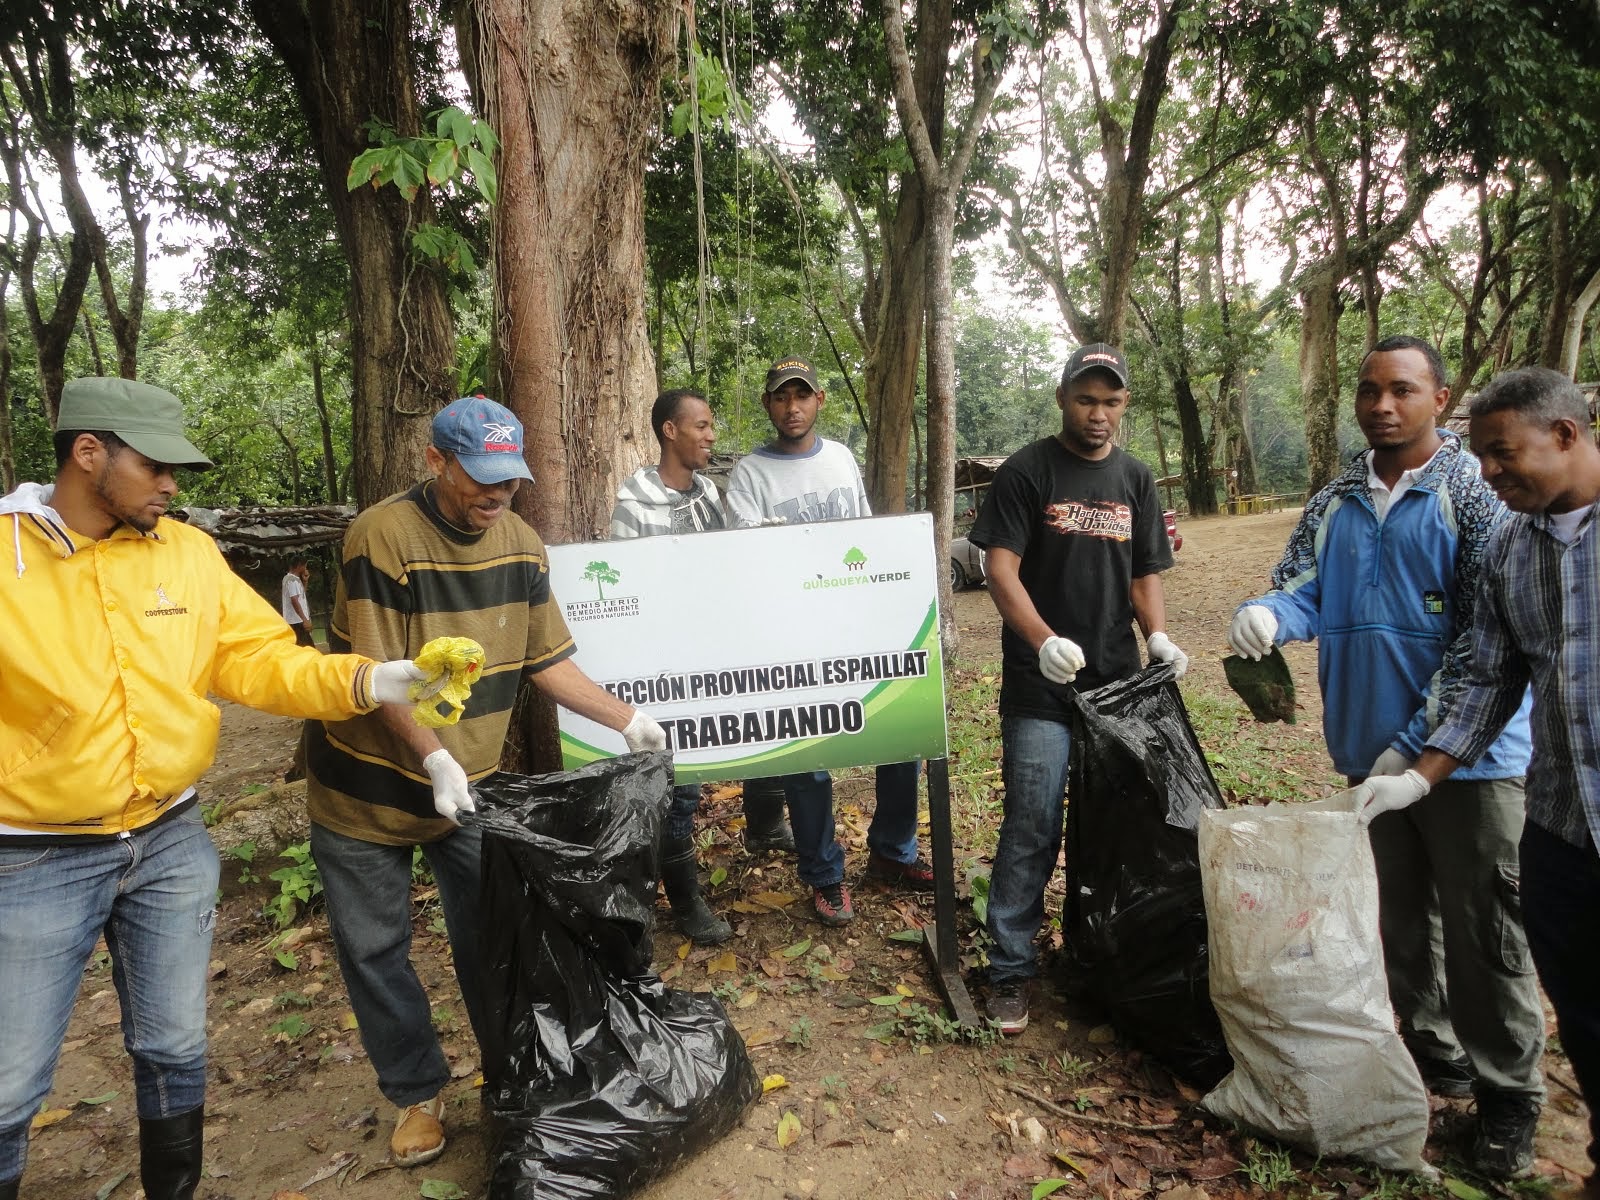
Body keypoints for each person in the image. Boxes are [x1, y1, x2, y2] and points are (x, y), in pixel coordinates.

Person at [0, 378, 425, 1200]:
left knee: (175, 1044)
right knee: (10, 1082)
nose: (172, 486)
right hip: (31, 859)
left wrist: (373, 679)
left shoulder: (187, 554)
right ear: (88, 453)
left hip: (168, 840)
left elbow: (258, 659)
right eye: (156, 467)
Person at [304, 395, 667, 1169]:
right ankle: (416, 1091)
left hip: (471, 787)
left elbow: (547, 660)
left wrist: (624, 718)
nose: (495, 496)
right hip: (365, 787)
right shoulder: (383, 537)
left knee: (493, 941)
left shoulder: (522, 544)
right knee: (375, 948)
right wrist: (431, 757)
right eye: (479, 479)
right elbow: (373, 677)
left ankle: (513, 1075)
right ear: (436, 461)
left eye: (508, 481)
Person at [1228, 336, 1543, 1177]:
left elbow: (1486, 644)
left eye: (1401, 390)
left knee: (1484, 933)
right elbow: (1302, 583)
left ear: (1440, 398)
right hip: (1367, 759)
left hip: (1468, 764)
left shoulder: (1477, 495)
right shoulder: (1336, 494)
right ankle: (1435, 1055)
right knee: (1400, 920)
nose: (1380, 405)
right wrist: (1267, 614)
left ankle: (1509, 1095)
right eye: (1368, 390)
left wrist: (1414, 754)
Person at [1357, 366, 1599, 1186]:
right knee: (1580, 1004)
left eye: (1502, 455)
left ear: (1565, 434)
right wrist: (1419, 778)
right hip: (1563, 822)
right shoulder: (1511, 549)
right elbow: (1490, 683)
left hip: (1528, 801)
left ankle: (1512, 1100)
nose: (1488, 472)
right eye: (1484, 457)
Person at [967, 342, 1186, 1035]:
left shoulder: (1136, 479)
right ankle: (1008, 970)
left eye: (1111, 401)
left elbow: (1144, 569)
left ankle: (1095, 956)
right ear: (1063, 398)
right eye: (1087, 399)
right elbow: (1000, 569)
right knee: (1032, 823)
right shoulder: (1029, 472)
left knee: (1113, 826)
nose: (1099, 413)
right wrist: (1042, 639)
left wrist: (1157, 635)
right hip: (1042, 686)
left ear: (1124, 405)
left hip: (1117, 688)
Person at [723, 356, 932, 927]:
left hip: (854, 623)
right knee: (808, 755)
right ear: (769, 405)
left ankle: (893, 853)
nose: (792, 407)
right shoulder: (749, 475)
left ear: (819, 401)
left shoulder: (840, 458)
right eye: (781, 397)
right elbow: (745, 558)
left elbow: (862, 535)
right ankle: (824, 874)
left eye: (803, 396)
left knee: (897, 733)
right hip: (789, 634)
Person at [610, 387, 795, 945]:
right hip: (666, 664)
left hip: (716, 653)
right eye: (703, 426)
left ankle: (764, 827)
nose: (711, 436)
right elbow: (627, 583)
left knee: (764, 730)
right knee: (680, 784)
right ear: (671, 430)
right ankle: (687, 902)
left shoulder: (710, 495)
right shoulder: (634, 499)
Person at [282, 555, 316, 646]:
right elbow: (294, 600)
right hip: (297, 621)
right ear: (299, 566)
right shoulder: (292, 581)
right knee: (308, 648)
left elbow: (301, 595)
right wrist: (304, 619)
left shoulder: (291, 579)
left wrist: (305, 581)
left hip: (296, 620)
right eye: (304, 566)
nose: (305, 568)